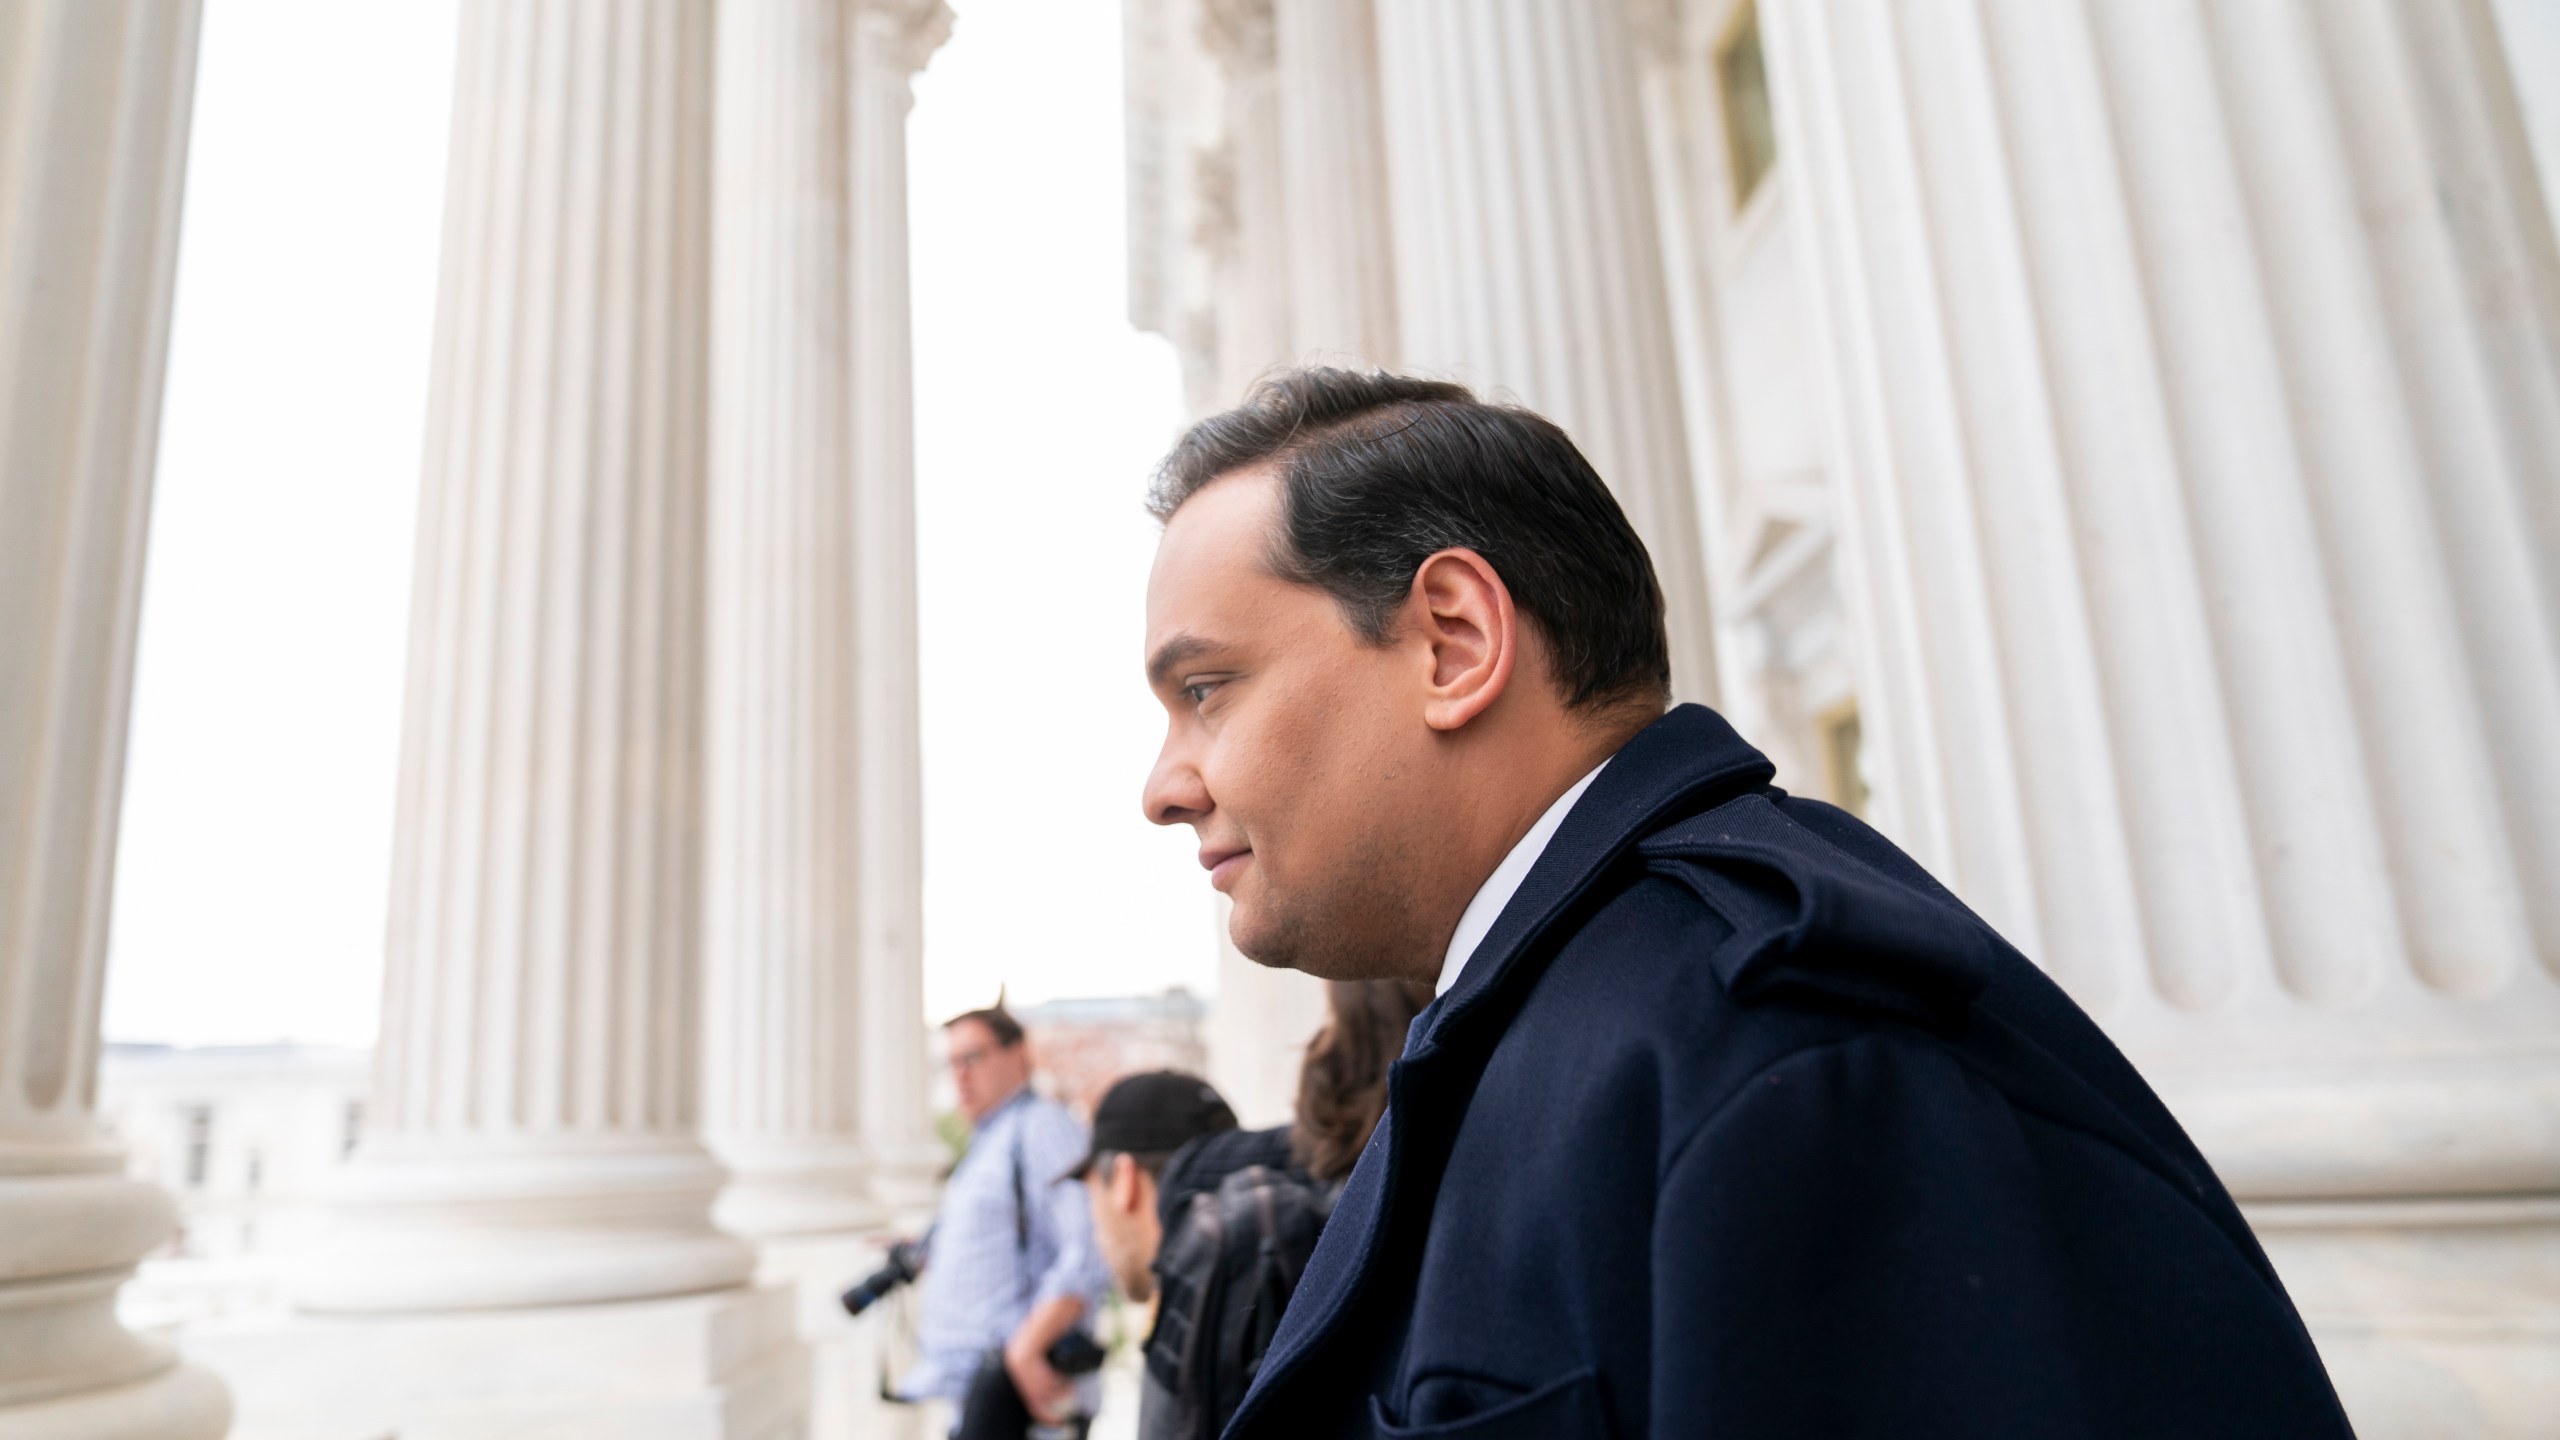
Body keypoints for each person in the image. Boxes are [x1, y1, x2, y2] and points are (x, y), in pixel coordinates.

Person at [1136, 368, 2355, 1437]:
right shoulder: (1602, 1016)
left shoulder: (1782, 1045)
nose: (1165, 787)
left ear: (1454, 643)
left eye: (1206, 687)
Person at [901, 1004, 1108, 1437]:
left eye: (972, 1057)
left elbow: (1091, 1246)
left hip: (1019, 1398)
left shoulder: (1042, 1127)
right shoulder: (992, 1139)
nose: (960, 1074)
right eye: (951, 1063)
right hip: (981, 1394)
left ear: (1019, 1054)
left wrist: (1026, 1351)